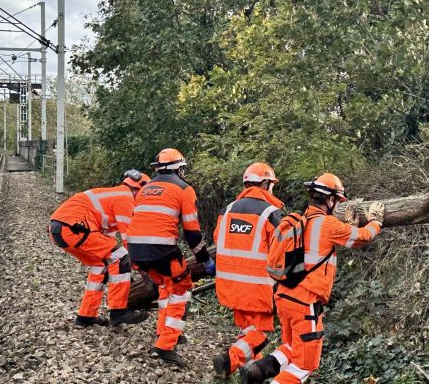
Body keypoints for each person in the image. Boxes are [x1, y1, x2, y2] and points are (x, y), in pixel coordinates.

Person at [244, 173, 385, 384]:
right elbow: (362, 237)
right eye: (337, 201)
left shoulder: (301, 220)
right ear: (329, 199)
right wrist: (376, 221)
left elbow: (336, 235)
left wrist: (349, 224)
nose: (337, 205)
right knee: (304, 365)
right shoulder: (328, 225)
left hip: (284, 297)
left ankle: (258, 370)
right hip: (305, 304)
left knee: (292, 348)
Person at [127, 148, 215, 367]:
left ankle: (165, 332)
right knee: (182, 289)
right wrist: (205, 259)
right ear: (180, 169)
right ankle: (165, 346)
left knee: (167, 288)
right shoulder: (184, 189)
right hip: (162, 250)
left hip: (136, 250)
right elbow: (192, 231)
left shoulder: (145, 189)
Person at [48, 169, 151, 328]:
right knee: (121, 256)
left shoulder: (114, 195)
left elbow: (108, 238)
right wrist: (142, 270)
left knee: (100, 266)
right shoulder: (125, 198)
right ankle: (118, 312)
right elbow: (129, 240)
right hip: (74, 228)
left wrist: (126, 272)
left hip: (60, 231)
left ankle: (85, 317)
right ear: (140, 189)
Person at [211, 162, 285, 378]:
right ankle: (230, 359)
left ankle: (250, 373)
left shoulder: (228, 210)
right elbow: (281, 249)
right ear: (265, 184)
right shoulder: (271, 213)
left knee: (247, 330)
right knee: (260, 334)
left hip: (230, 285)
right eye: (271, 184)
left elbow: (218, 240)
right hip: (259, 287)